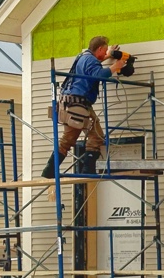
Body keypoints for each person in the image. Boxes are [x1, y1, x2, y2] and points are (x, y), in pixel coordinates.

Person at [41, 36, 128, 178]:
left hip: (69, 103)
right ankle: (88, 169)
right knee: (97, 136)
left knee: (68, 140)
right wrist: (115, 67)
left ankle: (49, 170)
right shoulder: (90, 60)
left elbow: (94, 64)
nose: (105, 53)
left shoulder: (83, 56)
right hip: (79, 104)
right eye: (105, 50)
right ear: (99, 48)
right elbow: (98, 74)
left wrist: (108, 55)